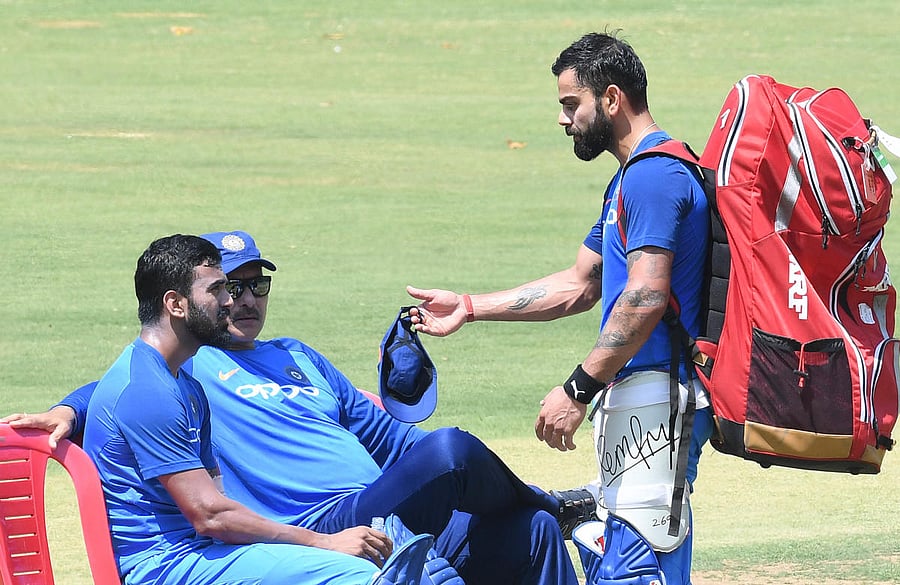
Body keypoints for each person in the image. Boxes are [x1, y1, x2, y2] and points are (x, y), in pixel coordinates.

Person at [5, 230, 580, 585]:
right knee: (452, 456)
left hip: (382, 504)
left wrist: (441, 467)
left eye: (257, 285)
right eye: (227, 287)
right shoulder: (192, 364)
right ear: (181, 303)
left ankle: (545, 513)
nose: (242, 299)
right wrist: (66, 411)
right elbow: (119, 392)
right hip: (311, 524)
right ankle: (556, 504)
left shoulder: (298, 356)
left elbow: (391, 440)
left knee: (531, 534)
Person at [406, 31, 714, 585]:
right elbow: (581, 283)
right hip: (642, 395)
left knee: (637, 565)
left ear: (612, 99)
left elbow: (644, 297)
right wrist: (471, 307)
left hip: (659, 393)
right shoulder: (631, 179)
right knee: (632, 547)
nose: (562, 119)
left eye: (571, 103)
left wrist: (578, 389)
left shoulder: (654, 176)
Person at [69, 234, 434, 585]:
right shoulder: (149, 392)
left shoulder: (187, 385)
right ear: (175, 304)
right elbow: (211, 516)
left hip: (209, 552)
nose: (229, 302)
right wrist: (325, 541)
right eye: (216, 291)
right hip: (166, 566)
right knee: (364, 575)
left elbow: (219, 497)